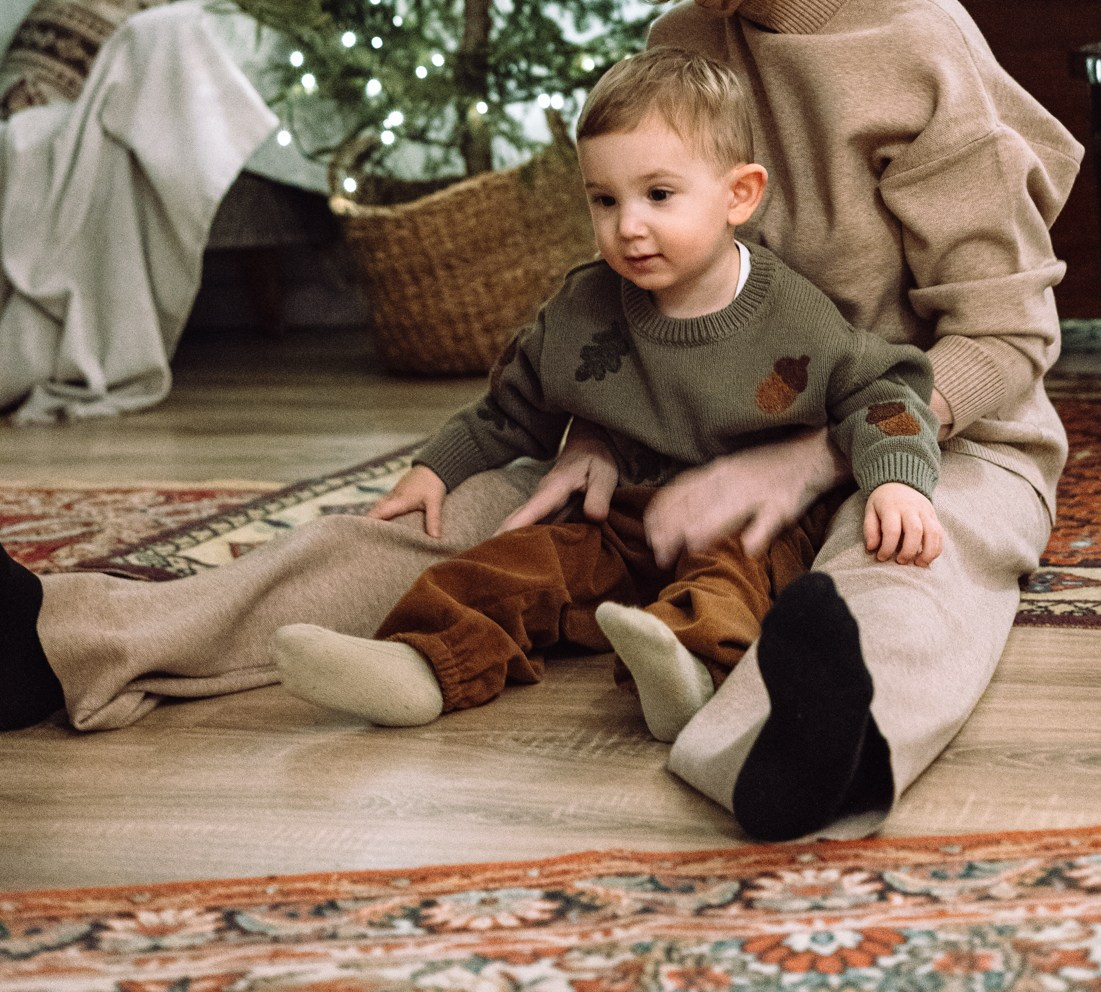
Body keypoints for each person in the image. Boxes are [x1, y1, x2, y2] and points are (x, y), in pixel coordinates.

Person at [6, 0, 1081, 845]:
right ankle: (63, 643)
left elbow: (1006, 336)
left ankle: (784, 753)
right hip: (691, 414)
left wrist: (810, 456)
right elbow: (655, 263)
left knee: (902, 562)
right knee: (458, 517)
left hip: (913, 423)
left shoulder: (915, 44)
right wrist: (601, 424)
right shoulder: (688, 34)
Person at [271, 47, 942, 745]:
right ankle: (421, 661)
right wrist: (436, 467)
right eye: (604, 200)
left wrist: (898, 481)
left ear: (738, 195)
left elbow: (885, 393)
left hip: (746, 522)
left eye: (658, 196)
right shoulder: (583, 306)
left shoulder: (793, 316)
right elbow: (513, 408)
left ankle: (684, 668)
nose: (628, 226)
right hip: (619, 521)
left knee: (728, 579)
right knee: (514, 564)